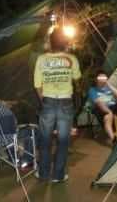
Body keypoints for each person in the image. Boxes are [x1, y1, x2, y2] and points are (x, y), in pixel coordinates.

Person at [33, 27, 81, 182]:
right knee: (63, 141)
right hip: (66, 102)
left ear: (50, 42)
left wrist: (44, 100)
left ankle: (43, 174)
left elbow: (37, 85)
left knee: (45, 139)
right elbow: (77, 77)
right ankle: (58, 176)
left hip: (48, 100)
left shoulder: (41, 59)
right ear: (65, 42)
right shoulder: (71, 59)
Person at [87, 70, 117, 144]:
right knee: (108, 117)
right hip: (102, 108)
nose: (102, 79)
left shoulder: (108, 87)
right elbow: (99, 103)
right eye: (100, 77)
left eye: (104, 77)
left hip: (113, 105)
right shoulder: (92, 90)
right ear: (96, 79)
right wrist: (109, 111)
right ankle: (114, 139)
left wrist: (108, 85)